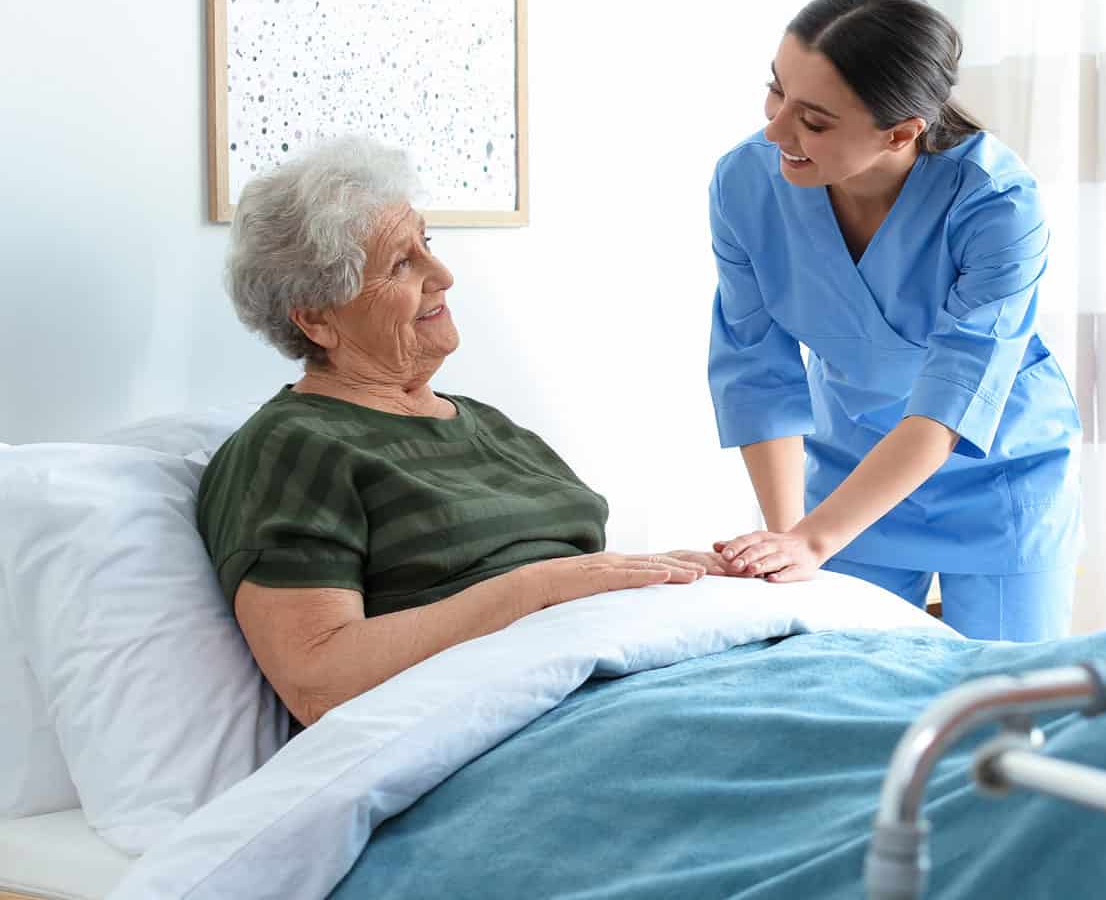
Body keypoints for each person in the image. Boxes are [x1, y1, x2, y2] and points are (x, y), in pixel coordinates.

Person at [198, 136, 726, 728]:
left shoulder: (493, 428)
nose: (443, 274)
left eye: (426, 244)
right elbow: (321, 681)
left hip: (633, 681)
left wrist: (675, 575)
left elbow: (577, 579)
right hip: (524, 729)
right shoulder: (291, 449)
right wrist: (538, 590)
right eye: (401, 263)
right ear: (318, 317)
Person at [707, 0, 1083, 641]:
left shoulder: (998, 204)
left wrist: (814, 541)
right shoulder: (745, 183)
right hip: (850, 472)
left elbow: (951, 401)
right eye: (776, 90)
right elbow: (756, 371)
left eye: (812, 120)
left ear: (900, 133)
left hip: (1000, 479)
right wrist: (790, 537)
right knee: (841, 690)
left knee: (1003, 705)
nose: (774, 129)